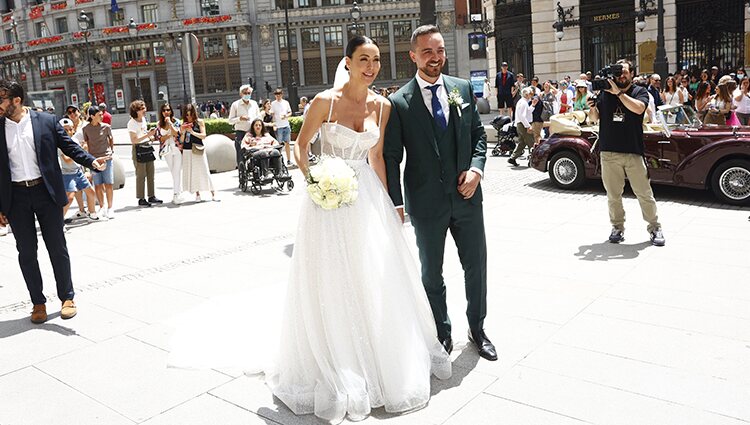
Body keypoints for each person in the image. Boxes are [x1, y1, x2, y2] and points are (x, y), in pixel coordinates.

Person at [385, 25, 496, 362]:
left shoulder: (462, 89)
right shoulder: (399, 102)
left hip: (466, 199)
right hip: (426, 204)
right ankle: (441, 332)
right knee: (431, 273)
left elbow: (478, 135)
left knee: (476, 265)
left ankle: (477, 329)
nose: (435, 58)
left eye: (440, 51)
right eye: (428, 52)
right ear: (413, 56)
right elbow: (391, 157)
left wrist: (476, 169)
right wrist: (396, 203)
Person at [0, 79, 109, 323]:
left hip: (45, 192)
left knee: (57, 247)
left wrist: (91, 161)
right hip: (15, 197)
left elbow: (69, 146)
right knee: (26, 252)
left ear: (16, 101)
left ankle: (67, 297)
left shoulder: (45, 121)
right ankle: (37, 303)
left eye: (1, 99)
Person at [587, 59, 665, 247]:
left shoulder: (640, 91)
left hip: (633, 151)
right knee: (613, 195)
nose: (621, 75)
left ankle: (654, 227)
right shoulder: (605, 93)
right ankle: (617, 227)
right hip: (609, 152)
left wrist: (619, 93)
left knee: (644, 193)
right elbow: (594, 119)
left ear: (631, 74)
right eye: (618, 72)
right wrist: (592, 107)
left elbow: (638, 109)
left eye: (625, 72)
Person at [58, 118, 98, 223]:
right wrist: (78, 152)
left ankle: (92, 213)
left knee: (91, 192)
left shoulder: (74, 141)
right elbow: (67, 160)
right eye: (65, 130)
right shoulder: (59, 144)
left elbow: (83, 156)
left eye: (70, 129)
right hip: (67, 174)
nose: (69, 132)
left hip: (78, 171)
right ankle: (59, 221)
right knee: (69, 198)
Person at [127, 100, 163, 207]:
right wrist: (148, 135)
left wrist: (150, 136)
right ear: (136, 111)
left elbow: (143, 133)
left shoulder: (143, 119)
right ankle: (141, 198)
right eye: (142, 108)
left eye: (144, 108)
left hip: (147, 146)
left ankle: (151, 196)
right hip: (138, 149)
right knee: (141, 175)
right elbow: (134, 140)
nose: (145, 110)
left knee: (151, 173)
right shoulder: (131, 123)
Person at [83, 106, 116, 218]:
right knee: (98, 184)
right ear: (92, 116)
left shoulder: (106, 127)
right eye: (99, 115)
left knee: (109, 183)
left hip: (106, 158)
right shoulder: (86, 129)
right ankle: (102, 207)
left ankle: (110, 208)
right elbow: (86, 142)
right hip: (94, 160)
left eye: (102, 114)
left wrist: (111, 151)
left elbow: (111, 139)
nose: (102, 116)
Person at [180, 103, 217, 202]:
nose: (189, 117)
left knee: (204, 170)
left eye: (190, 114)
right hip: (187, 150)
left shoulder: (200, 122)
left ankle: (212, 192)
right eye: (187, 115)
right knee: (192, 172)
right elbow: (181, 140)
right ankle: (197, 194)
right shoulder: (183, 124)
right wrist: (183, 131)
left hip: (198, 148)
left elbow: (203, 135)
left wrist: (192, 132)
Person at [157, 103, 183, 204]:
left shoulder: (176, 121)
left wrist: (170, 124)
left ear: (171, 111)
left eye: (168, 110)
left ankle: (176, 195)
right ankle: (178, 192)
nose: (166, 112)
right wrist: (168, 135)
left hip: (176, 149)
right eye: (164, 110)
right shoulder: (159, 124)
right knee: (173, 172)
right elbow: (160, 138)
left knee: (177, 171)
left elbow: (177, 133)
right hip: (167, 150)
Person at [508, 87, 535, 167]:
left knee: (522, 143)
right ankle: (531, 161)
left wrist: (532, 105)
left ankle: (513, 158)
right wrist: (528, 126)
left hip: (520, 124)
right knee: (531, 142)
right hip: (523, 125)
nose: (531, 95)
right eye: (530, 94)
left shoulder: (522, 102)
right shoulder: (523, 103)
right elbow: (523, 116)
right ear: (527, 94)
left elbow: (527, 113)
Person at [271, 88, 293, 166]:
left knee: (287, 143)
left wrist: (286, 116)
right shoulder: (273, 104)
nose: (278, 96)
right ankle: (279, 161)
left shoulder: (286, 102)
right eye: (276, 95)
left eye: (279, 94)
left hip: (286, 125)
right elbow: (272, 115)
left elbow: (290, 112)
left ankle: (289, 160)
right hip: (278, 126)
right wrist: (274, 124)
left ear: (282, 95)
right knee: (279, 144)